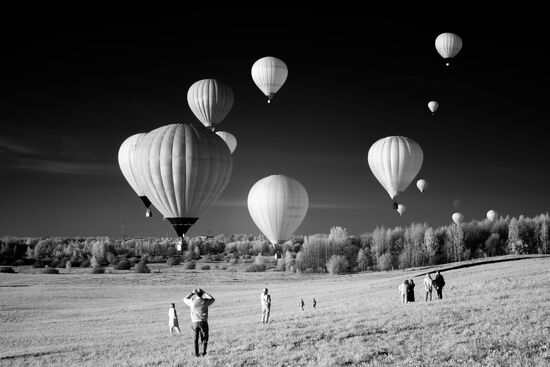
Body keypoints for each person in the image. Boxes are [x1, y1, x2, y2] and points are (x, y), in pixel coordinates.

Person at [183, 288, 215, 357]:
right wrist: (205, 293)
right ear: (202, 294)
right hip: (203, 322)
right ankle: (203, 352)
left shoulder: (192, 301)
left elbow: (185, 299)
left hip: (194, 322)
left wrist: (191, 293)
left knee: (195, 339)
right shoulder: (205, 301)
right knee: (204, 338)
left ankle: (196, 353)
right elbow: (212, 299)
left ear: (195, 294)